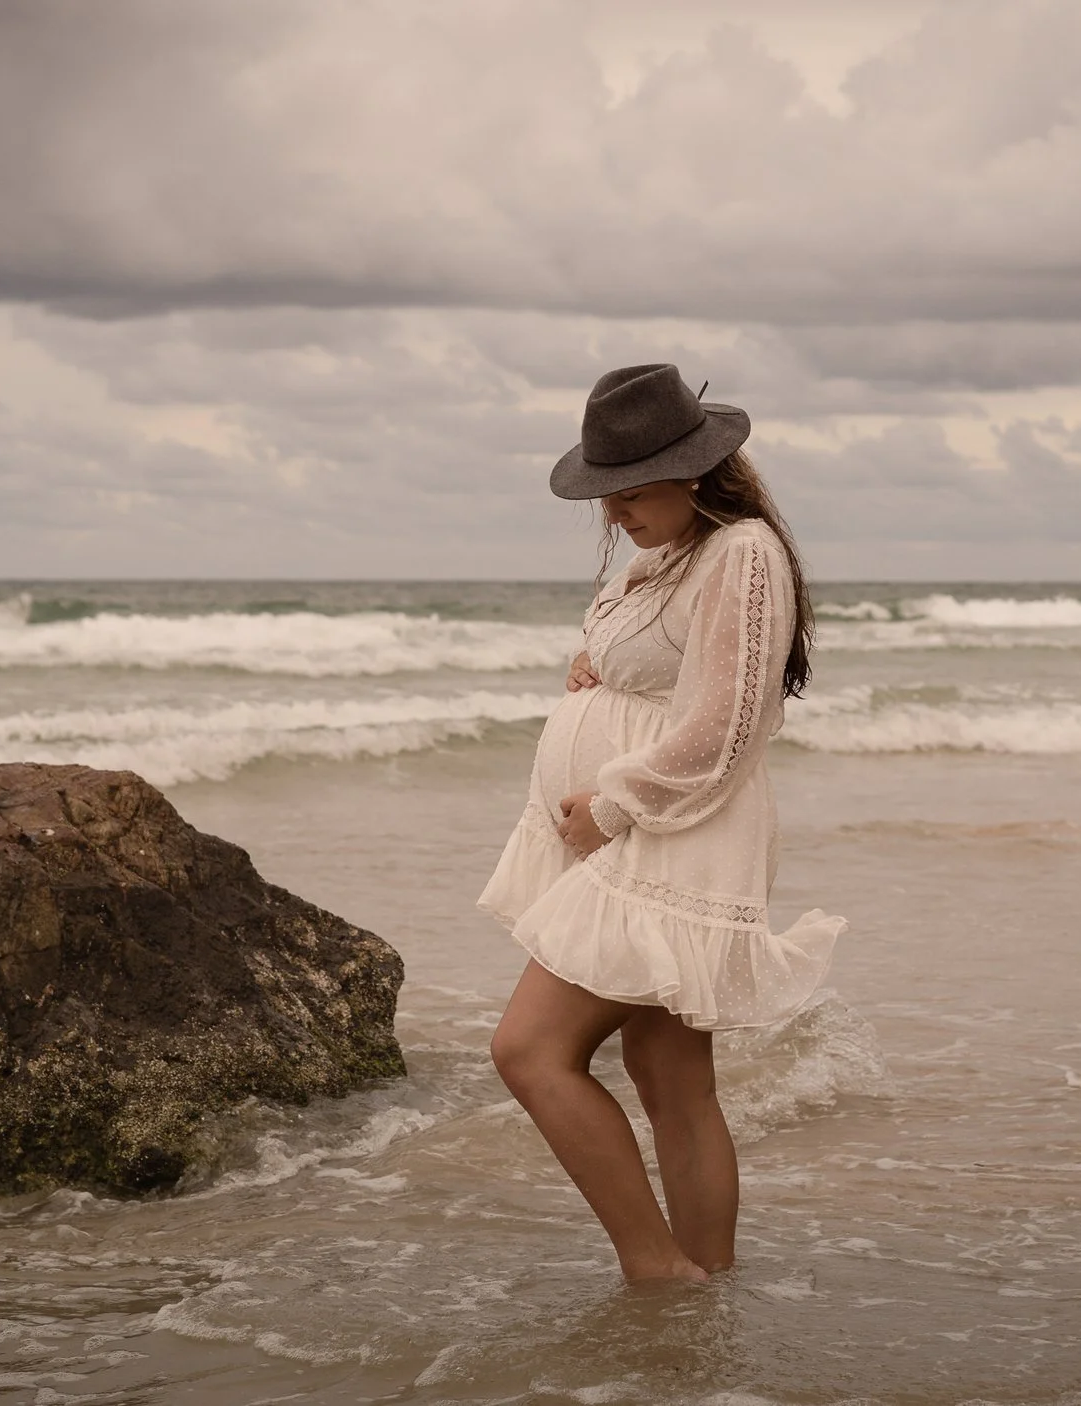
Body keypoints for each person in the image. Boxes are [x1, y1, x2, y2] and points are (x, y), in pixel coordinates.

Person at [476, 363, 846, 1283]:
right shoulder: (670, 554)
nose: (615, 514)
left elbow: (727, 728)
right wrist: (593, 664)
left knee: (529, 1051)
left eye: (630, 493)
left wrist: (609, 805)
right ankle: (704, 1286)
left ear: (694, 472)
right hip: (646, 836)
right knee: (671, 1078)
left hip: (672, 835)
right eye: (606, 496)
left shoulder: (742, 553)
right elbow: (660, 659)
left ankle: (656, 1270)